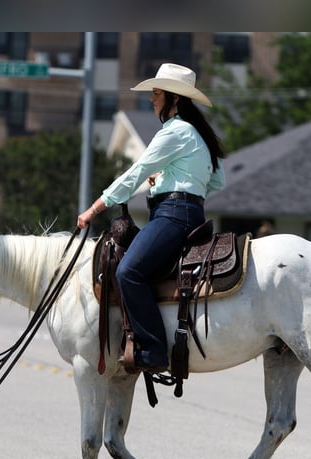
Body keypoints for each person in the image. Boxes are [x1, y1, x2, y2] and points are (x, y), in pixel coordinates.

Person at [77, 63, 225, 372]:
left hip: (172, 216)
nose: (151, 99)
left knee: (128, 272)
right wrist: (175, 180)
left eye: (156, 93)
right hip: (190, 212)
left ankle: (155, 349)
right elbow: (216, 182)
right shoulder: (199, 134)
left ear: (174, 98)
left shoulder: (175, 132)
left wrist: (95, 207)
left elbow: (136, 173)